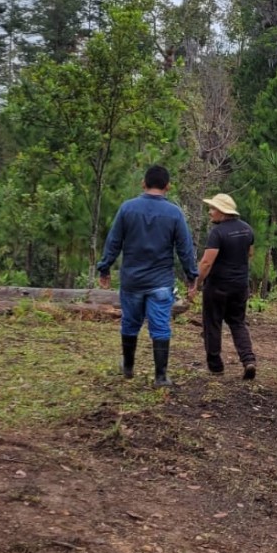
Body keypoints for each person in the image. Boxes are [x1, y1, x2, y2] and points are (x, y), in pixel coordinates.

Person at [96, 165, 199, 387]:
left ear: (144, 183)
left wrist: (104, 268)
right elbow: (185, 249)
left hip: (132, 280)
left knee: (130, 323)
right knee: (160, 326)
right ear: (168, 186)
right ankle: (161, 376)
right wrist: (192, 276)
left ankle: (128, 367)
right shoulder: (174, 213)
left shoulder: (127, 209)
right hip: (160, 282)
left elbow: (113, 242)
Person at [193, 192, 257, 380]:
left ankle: (215, 366)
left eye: (213, 209)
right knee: (238, 323)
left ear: (222, 211)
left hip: (218, 287)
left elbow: (206, 262)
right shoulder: (247, 229)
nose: (210, 212)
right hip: (240, 285)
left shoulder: (217, 232)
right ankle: (248, 360)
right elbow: (249, 254)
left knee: (212, 324)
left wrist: (196, 284)